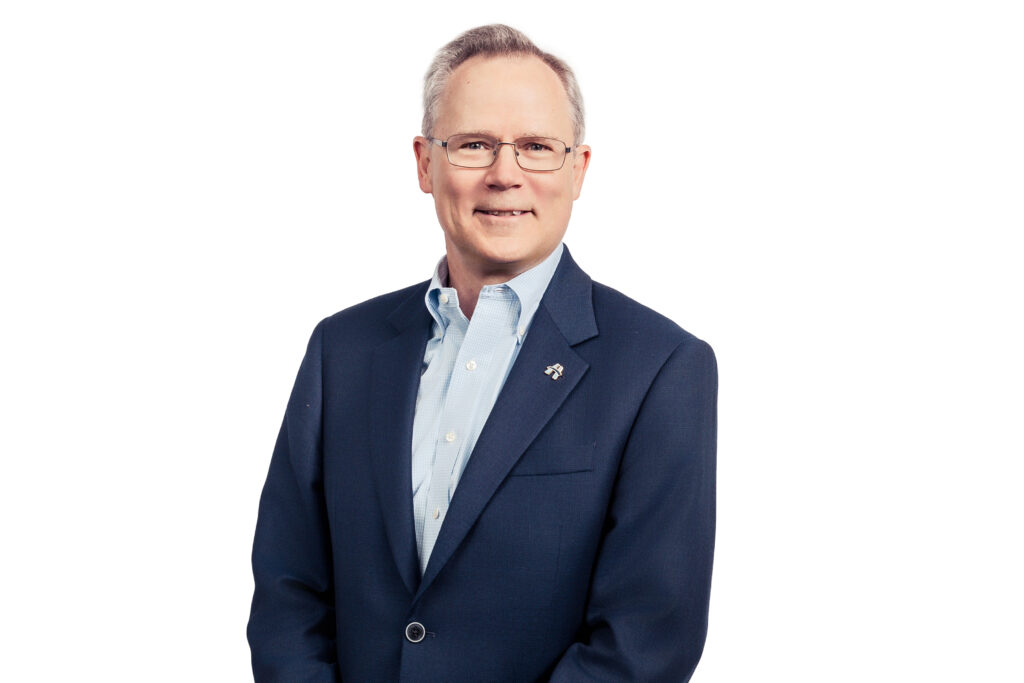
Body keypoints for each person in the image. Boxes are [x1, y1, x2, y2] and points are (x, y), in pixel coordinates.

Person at [247, 24, 718, 682]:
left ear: (577, 170)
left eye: (536, 147)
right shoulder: (341, 350)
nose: (505, 174)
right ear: (424, 162)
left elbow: (642, 643)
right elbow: (287, 593)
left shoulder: (660, 370)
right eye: (473, 145)